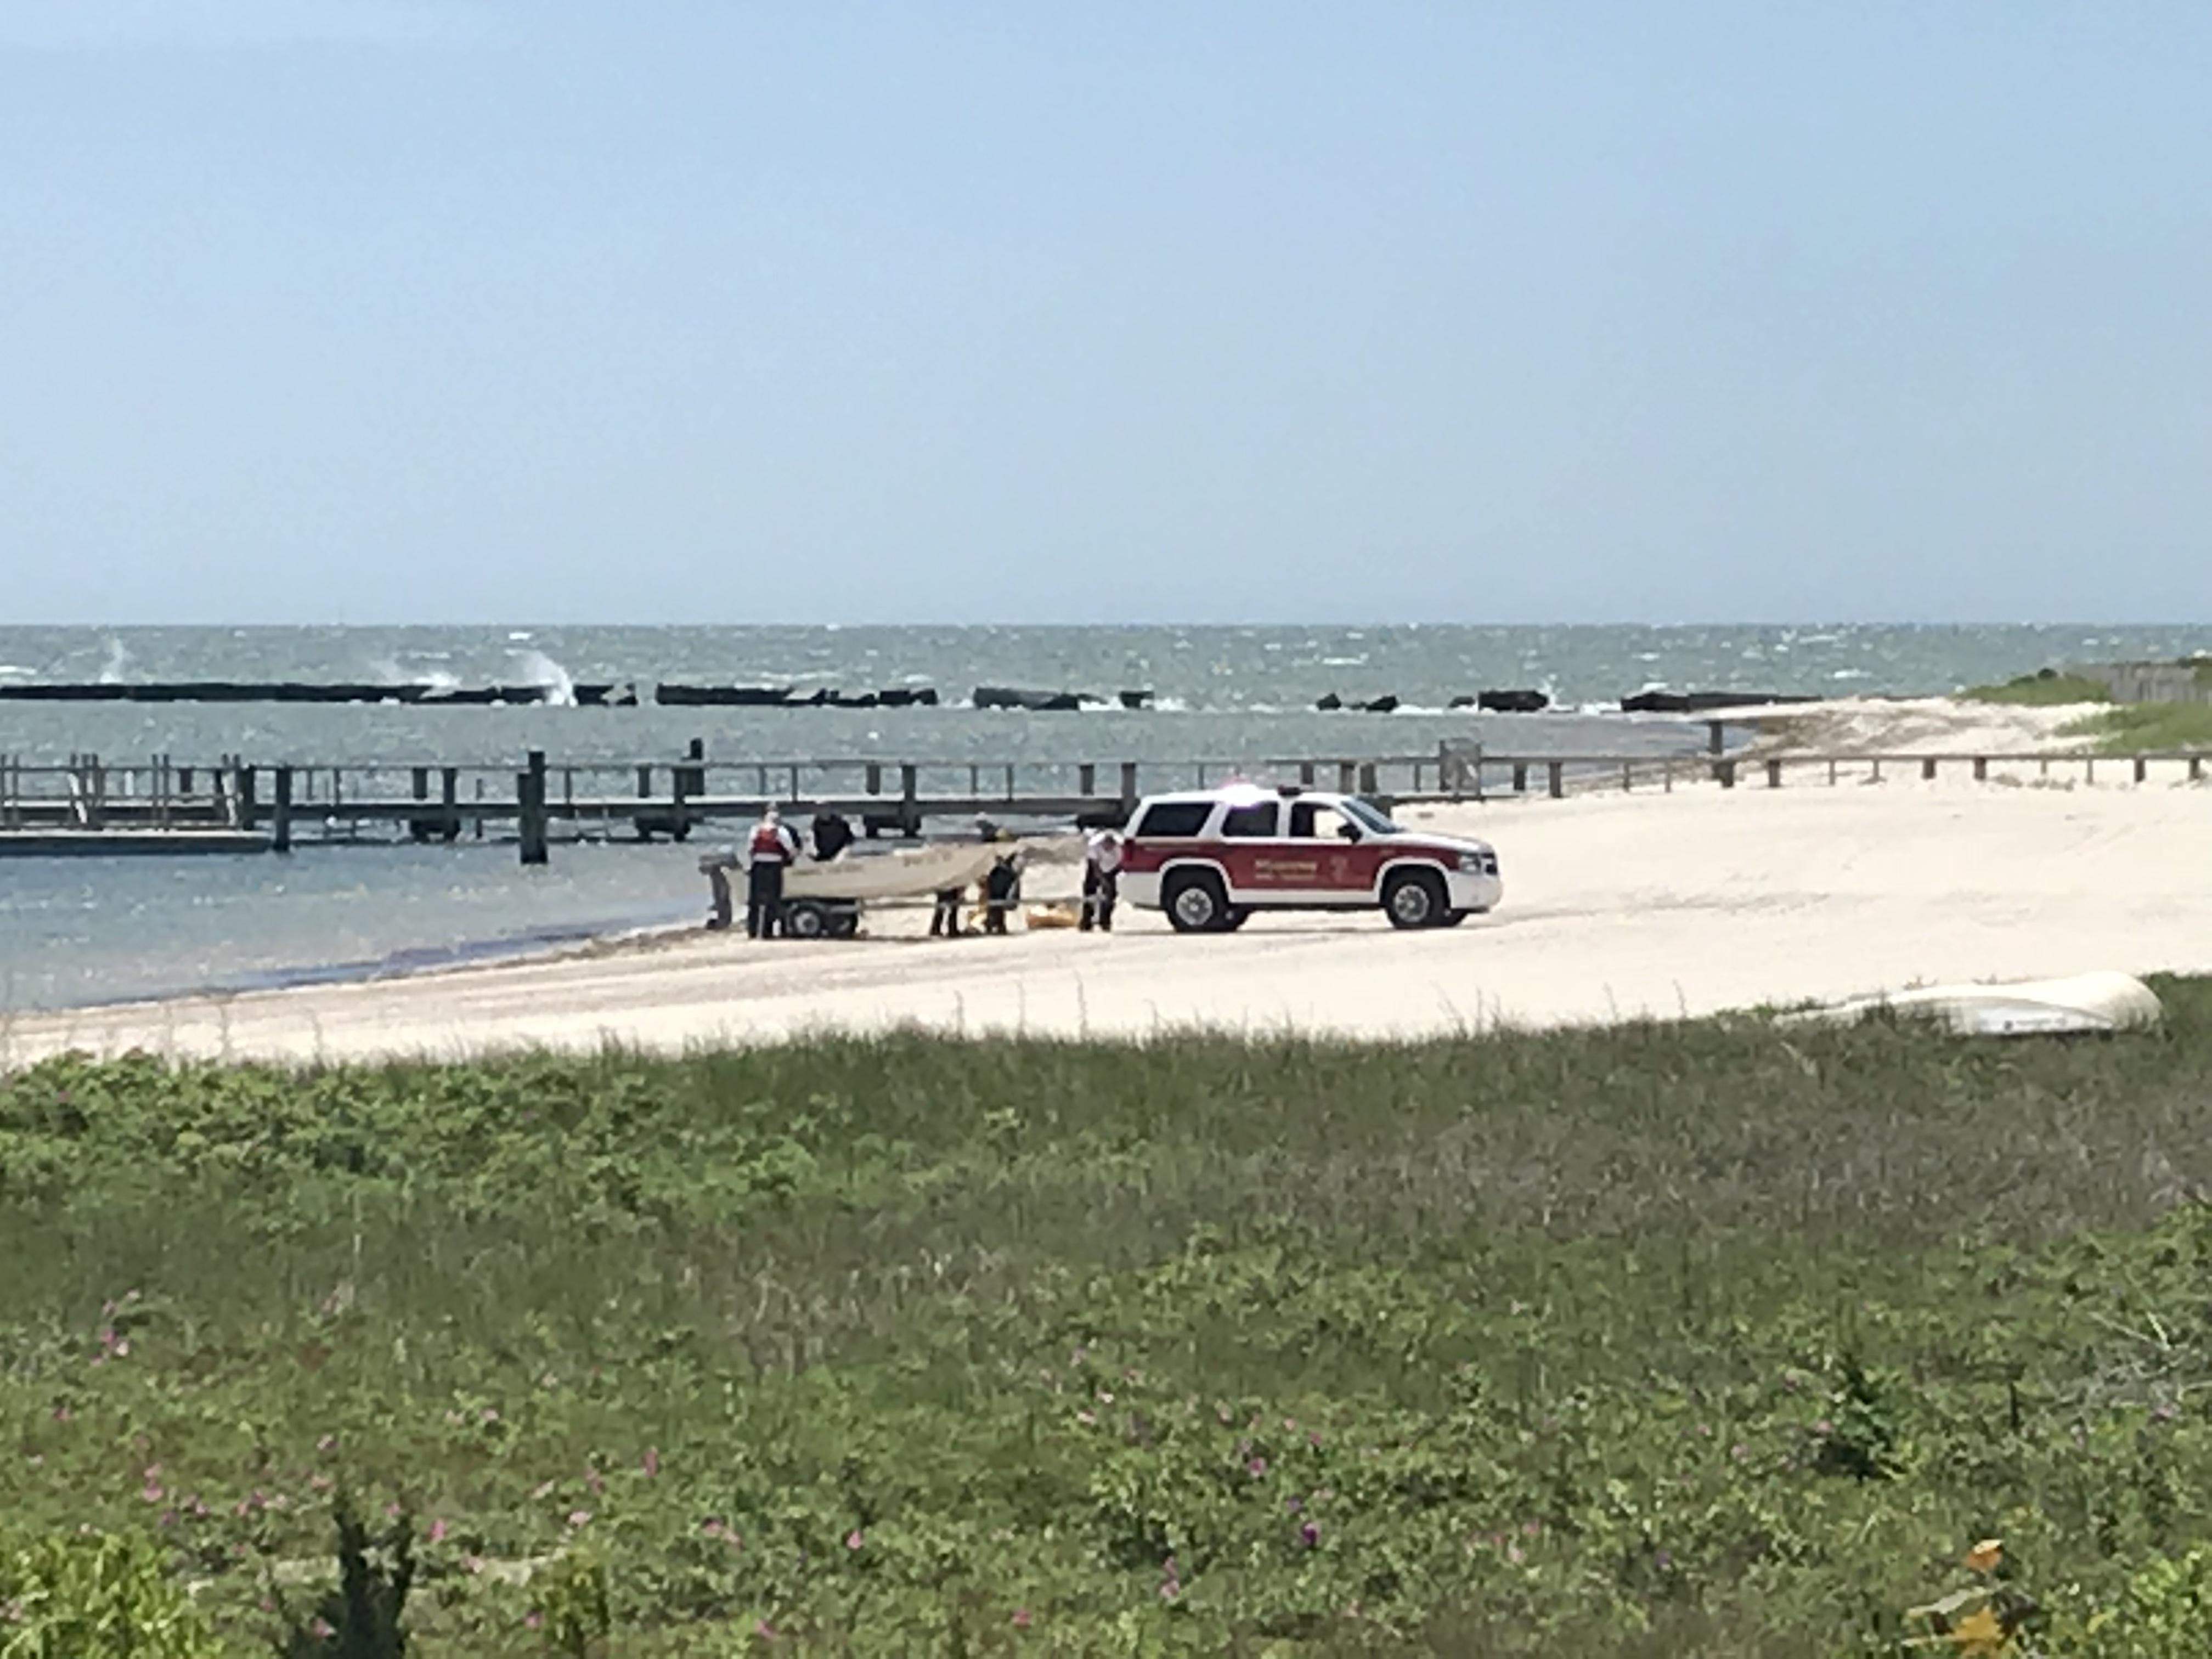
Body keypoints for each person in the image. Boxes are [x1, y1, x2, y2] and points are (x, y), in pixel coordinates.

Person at [745, 806, 802, 939]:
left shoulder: (755, 830)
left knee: (755, 900)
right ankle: (768, 931)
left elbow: (750, 849)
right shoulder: (781, 832)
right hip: (775, 866)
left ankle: (753, 930)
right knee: (773, 899)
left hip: (758, 865)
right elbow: (791, 850)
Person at [1080, 827, 1122, 932]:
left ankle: (1105, 921)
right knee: (1090, 893)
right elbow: (1095, 866)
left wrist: (1110, 882)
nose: (1108, 846)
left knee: (1110, 896)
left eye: (1111, 844)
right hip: (1095, 866)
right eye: (1106, 844)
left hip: (1112, 868)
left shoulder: (1120, 849)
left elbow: (1121, 865)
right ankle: (1086, 922)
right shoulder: (1094, 846)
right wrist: (1102, 880)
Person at [981, 851, 1021, 935]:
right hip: (999, 881)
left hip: (1001, 881)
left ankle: (997, 924)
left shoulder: (1006, 866)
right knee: (996, 903)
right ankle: (996, 924)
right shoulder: (1000, 866)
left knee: (997, 903)